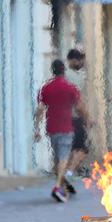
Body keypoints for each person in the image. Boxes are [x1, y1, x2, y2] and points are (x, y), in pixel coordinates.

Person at [34, 59, 89, 202]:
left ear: (53, 71)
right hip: (66, 127)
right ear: (63, 71)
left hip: (51, 128)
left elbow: (39, 109)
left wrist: (36, 129)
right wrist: (87, 119)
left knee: (59, 156)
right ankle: (58, 187)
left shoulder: (45, 88)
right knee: (64, 157)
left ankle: (63, 183)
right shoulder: (70, 88)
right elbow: (79, 107)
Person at [64, 49, 89, 189]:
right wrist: (86, 117)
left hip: (67, 116)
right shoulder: (74, 76)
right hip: (75, 116)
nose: (81, 62)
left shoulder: (67, 75)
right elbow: (78, 100)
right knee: (82, 148)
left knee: (73, 147)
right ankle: (69, 172)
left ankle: (69, 172)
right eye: (79, 60)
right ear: (73, 60)